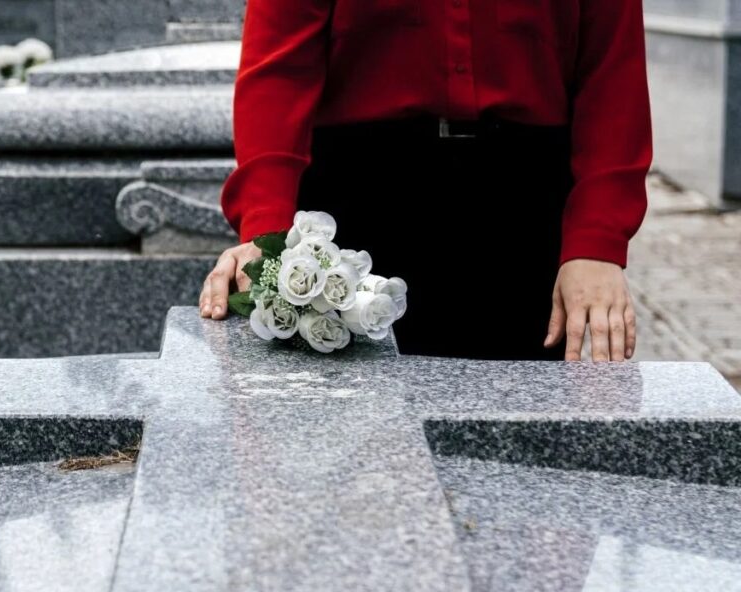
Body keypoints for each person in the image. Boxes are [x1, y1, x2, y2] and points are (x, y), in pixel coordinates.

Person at [198, 0, 653, 362]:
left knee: (524, 442)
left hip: (525, 210)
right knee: (352, 447)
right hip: (358, 206)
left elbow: (612, 72)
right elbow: (280, 66)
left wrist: (595, 243)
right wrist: (268, 232)